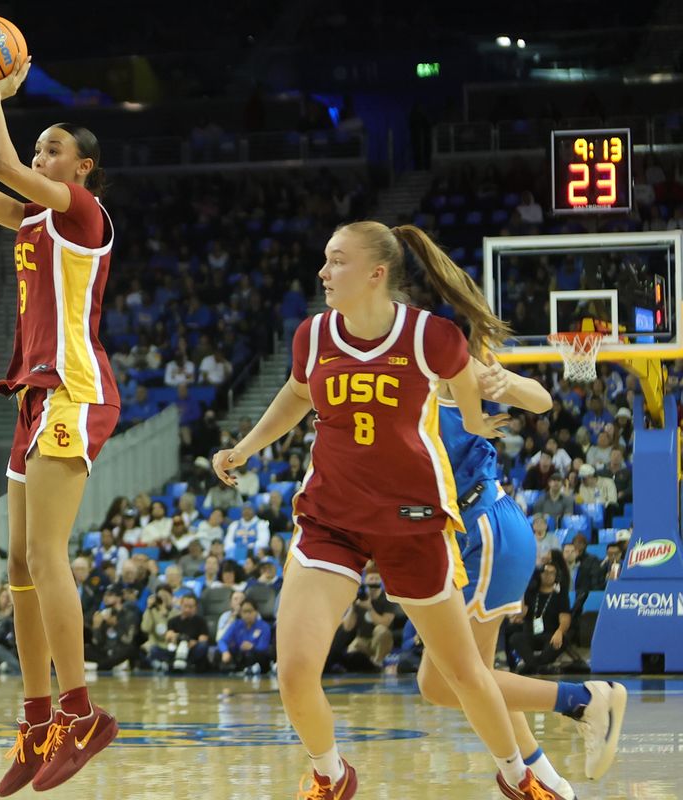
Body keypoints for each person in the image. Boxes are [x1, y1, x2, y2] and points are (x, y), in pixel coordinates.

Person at [212, 221, 564, 799]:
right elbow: (299, 394)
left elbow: (506, 408)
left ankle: (518, 776)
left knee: (461, 674)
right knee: (295, 674)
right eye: (325, 261)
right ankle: (330, 775)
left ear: (377, 273)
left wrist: (506, 388)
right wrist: (246, 447)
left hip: (413, 522)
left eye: (337, 261)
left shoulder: (433, 338)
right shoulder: (313, 336)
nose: (323, 272)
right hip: (331, 518)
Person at [0, 42, 119, 794]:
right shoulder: (27, 222)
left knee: (47, 556)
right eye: (39, 145)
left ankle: (81, 714)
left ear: (81, 170)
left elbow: (5, 167)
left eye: (54, 148)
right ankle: (38, 718)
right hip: (33, 396)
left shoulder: (83, 215)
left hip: (76, 389)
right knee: (16, 569)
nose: (39, 155)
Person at [415, 322, 624, 792]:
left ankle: (584, 698)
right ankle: (545, 783)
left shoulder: (435, 365)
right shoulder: (377, 387)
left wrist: (505, 382)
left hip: (485, 526)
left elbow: (540, 399)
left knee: (449, 682)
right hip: (460, 535)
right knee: (471, 681)